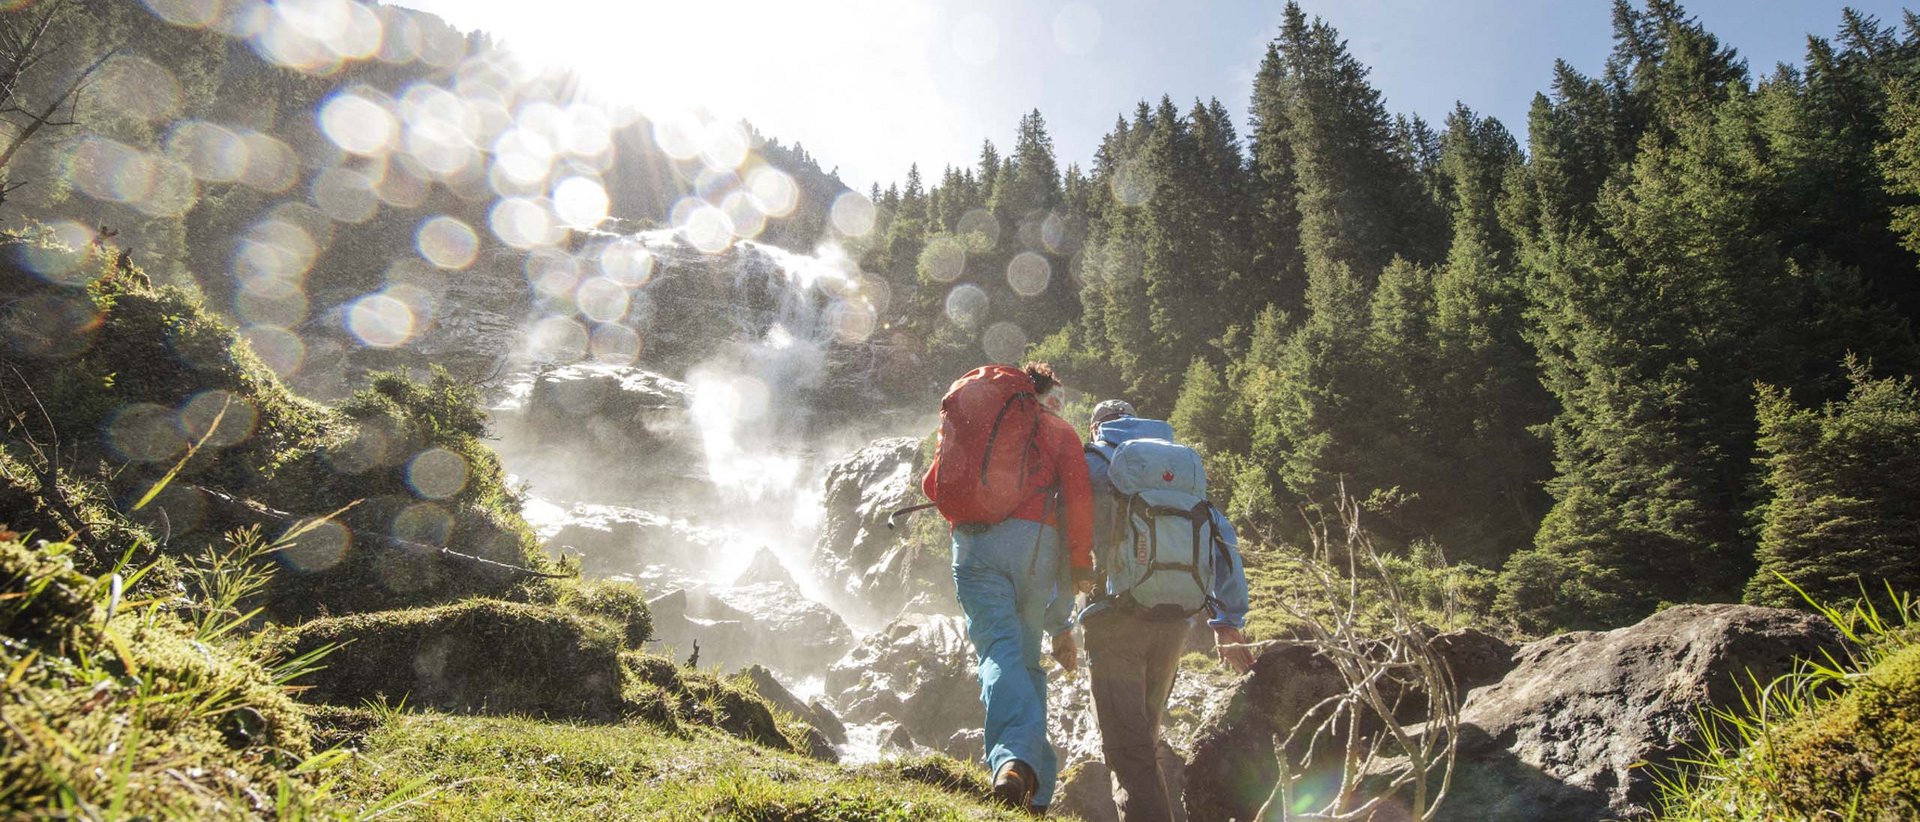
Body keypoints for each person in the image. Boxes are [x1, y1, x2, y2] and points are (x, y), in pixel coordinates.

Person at [1070, 399, 1253, 822]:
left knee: (1126, 748)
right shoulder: (1180, 469)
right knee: (1143, 739)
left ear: (1097, 428)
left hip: (1113, 618)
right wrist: (1228, 621)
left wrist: (1053, 613)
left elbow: (1067, 533)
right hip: (1175, 621)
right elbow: (1223, 539)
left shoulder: (1094, 463)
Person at [925, 362, 1094, 814]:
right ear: (1041, 393)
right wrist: (1080, 564)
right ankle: (1024, 777)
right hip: (1033, 548)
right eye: (1056, 394)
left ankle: (1020, 772)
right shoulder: (1058, 431)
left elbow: (931, 484)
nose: (1059, 402)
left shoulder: (979, 421)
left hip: (973, 548)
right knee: (1023, 656)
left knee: (1001, 653)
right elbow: (1078, 499)